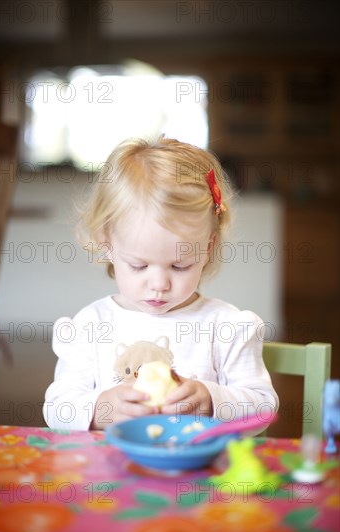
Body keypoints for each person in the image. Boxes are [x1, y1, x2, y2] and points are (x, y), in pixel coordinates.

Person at [43, 136, 278, 431]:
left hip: (201, 472)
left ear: (208, 247)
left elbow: (263, 407)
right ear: (108, 245)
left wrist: (211, 399)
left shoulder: (227, 327)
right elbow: (57, 408)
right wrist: (100, 409)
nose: (159, 284)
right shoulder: (91, 326)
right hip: (112, 473)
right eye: (139, 265)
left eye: (180, 266)